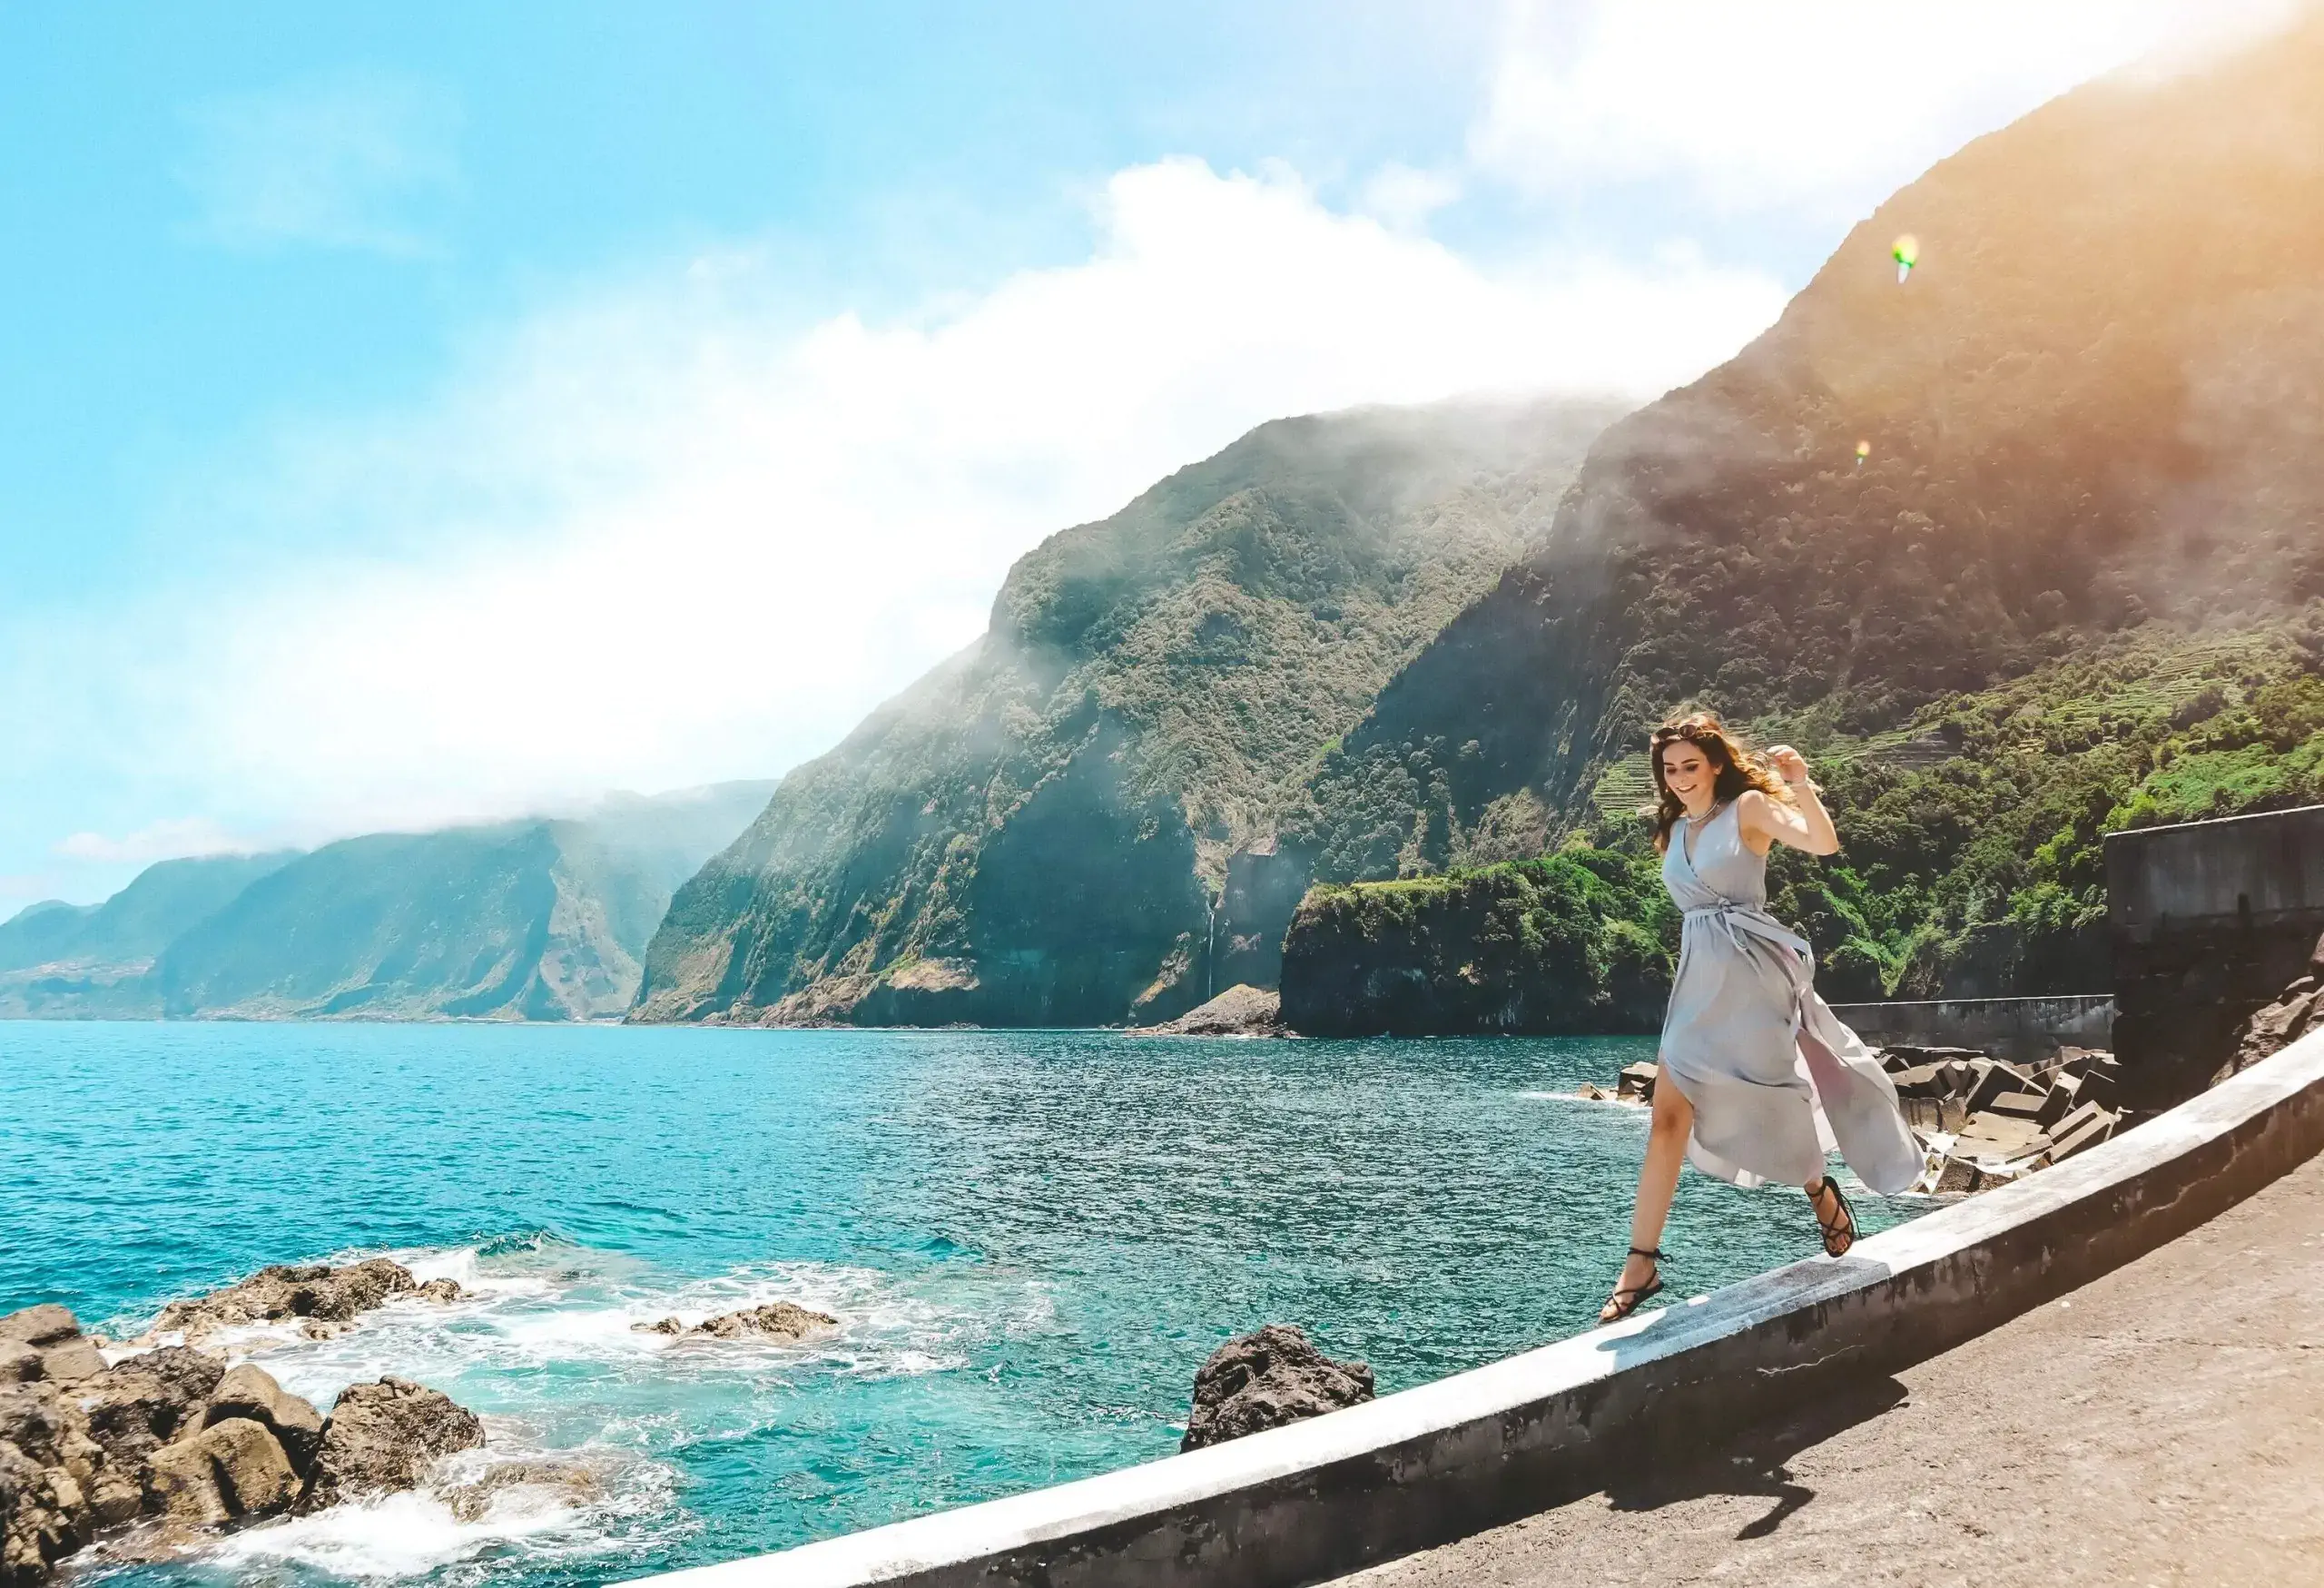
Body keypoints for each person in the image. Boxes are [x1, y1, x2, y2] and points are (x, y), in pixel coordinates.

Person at [1600, 712, 1922, 1324]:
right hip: (1697, 976)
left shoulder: (1747, 807)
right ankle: (1641, 1264)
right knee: (1667, 1116)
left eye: (1690, 766)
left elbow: (1822, 842)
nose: (1679, 779)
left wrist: (1798, 781)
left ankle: (1817, 1186)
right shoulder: (1672, 832)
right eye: (1669, 770)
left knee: (1773, 1097)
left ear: (1716, 763)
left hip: (1752, 972)